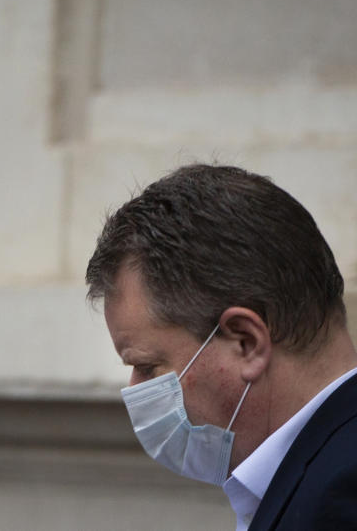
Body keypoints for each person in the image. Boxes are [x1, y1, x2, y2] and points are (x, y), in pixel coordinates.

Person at [85, 164, 357, 531]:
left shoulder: (338, 498)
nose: (134, 389)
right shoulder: (308, 474)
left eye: (148, 366)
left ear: (245, 342)